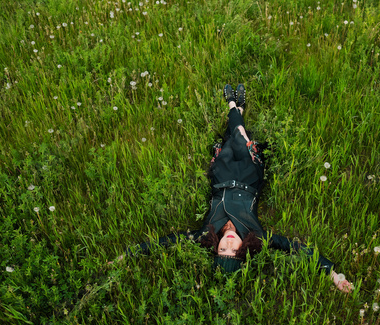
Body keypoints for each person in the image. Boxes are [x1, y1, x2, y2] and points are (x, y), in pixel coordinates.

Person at [110, 84, 353, 293]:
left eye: (222, 249)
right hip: (248, 176)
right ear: (242, 250)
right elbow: (297, 248)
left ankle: (238, 111)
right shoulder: (257, 236)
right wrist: (333, 274)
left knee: (230, 143)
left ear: (215, 249)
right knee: (238, 137)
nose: (227, 242)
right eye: (232, 249)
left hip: (222, 175)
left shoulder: (206, 235)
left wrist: (129, 254)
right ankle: (232, 106)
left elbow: (168, 241)